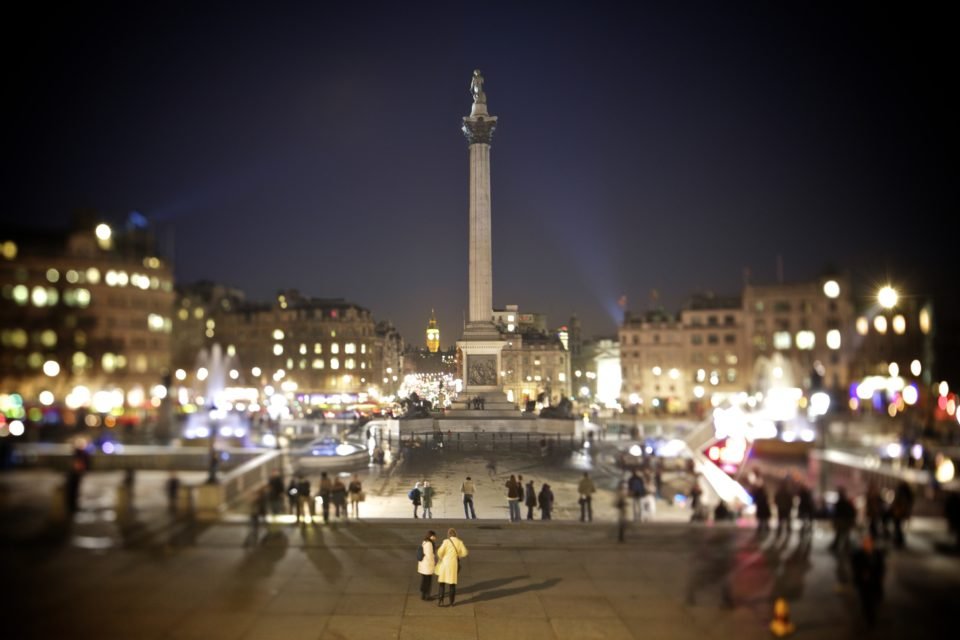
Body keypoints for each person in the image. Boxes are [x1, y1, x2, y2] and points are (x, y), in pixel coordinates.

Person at [850, 534, 886, 627]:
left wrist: (881, 577)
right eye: (865, 543)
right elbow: (855, 568)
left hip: (875, 581)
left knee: (876, 600)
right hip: (864, 583)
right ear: (862, 544)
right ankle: (870, 620)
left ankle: (872, 615)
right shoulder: (857, 555)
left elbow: (881, 567)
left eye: (869, 543)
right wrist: (861, 573)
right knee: (866, 601)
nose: (867, 544)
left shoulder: (877, 554)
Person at [435, 527, 469, 607]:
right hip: (453, 565)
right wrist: (458, 555)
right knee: (452, 584)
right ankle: (451, 602)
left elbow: (439, 552)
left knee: (442, 583)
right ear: (456, 534)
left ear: (448, 535)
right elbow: (465, 552)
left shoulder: (446, 541)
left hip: (445, 564)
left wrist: (442, 557)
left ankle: (440, 601)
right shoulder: (460, 542)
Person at [830, 487, 856, 554]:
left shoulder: (841, 502)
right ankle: (845, 548)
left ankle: (842, 548)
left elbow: (836, 513)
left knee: (841, 535)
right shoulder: (845, 502)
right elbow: (851, 512)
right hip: (845, 522)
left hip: (843, 522)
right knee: (844, 535)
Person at [890, 481, 914, 549]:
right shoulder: (907, 494)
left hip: (899, 513)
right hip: (901, 513)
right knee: (899, 527)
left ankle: (899, 541)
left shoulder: (901, 493)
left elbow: (897, 501)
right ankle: (899, 540)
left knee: (898, 527)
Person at [417, 530, 438, 600]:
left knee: (424, 580)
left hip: (423, 565)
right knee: (428, 581)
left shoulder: (424, 542)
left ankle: (423, 595)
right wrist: (434, 564)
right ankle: (427, 596)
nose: (435, 538)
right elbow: (430, 556)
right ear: (431, 536)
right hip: (427, 566)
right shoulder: (429, 544)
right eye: (434, 536)